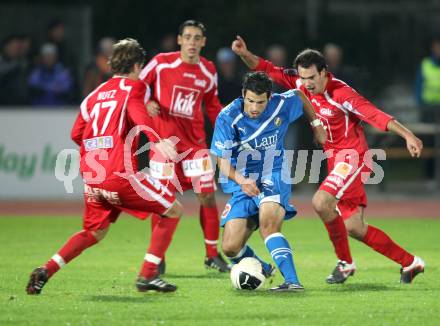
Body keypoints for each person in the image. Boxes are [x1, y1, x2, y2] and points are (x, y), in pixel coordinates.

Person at [232, 35, 425, 284]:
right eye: (303, 77)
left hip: (353, 157)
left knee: (321, 202)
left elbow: (375, 114)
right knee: (355, 227)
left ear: (324, 72)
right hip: (336, 161)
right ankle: (411, 262)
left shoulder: (341, 93)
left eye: (312, 77)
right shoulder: (299, 82)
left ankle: (345, 263)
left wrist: (409, 136)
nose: (307, 83)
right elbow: (267, 69)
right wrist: (243, 53)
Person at [26, 38, 183, 295]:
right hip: (119, 174)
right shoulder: (135, 87)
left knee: (94, 232)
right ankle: (148, 274)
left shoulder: (92, 96)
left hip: (93, 177)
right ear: (136, 65)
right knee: (174, 209)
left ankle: (46, 270)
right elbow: (139, 117)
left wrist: (101, 145)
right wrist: (159, 140)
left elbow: (76, 133)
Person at [211, 71, 326, 291]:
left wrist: (317, 125)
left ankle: (292, 282)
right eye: (250, 101)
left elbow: (301, 97)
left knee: (268, 225)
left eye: (260, 102)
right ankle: (263, 269)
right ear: (243, 94)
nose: (254, 107)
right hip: (242, 181)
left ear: (269, 98)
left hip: (274, 171)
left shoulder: (281, 103)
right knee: (230, 247)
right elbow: (222, 162)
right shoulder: (228, 117)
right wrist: (242, 180)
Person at [139, 20, 230, 273]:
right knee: (163, 201)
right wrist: (146, 103)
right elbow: (139, 87)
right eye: (187, 37)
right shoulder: (160, 63)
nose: (192, 42)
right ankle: (158, 259)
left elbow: (212, 104)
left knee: (207, 195)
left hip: (194, 146)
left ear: (203, 42)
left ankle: (212, 254)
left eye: (197, 37)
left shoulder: (208, 70)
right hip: (164, 144)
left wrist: (228, 130)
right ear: (179, 40)